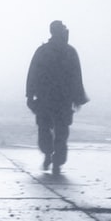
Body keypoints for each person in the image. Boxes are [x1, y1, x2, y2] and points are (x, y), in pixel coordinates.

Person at [25, 19, 88, 174]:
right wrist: (78, 97)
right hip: (63, 99)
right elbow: (76, 76)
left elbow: (33, 74)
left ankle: (48, 154)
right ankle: (57, 161)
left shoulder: (43, 51)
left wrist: (30, 95)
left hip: (45, 98)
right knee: (61, 131)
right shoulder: (70, 52)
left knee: (45, 128)